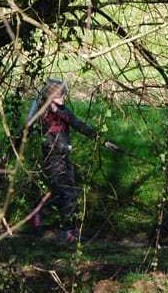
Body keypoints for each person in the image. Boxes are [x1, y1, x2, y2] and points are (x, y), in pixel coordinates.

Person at [28, 78, 119, 241]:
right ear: (49, 96)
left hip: (64, 158)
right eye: (59, 94)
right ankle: (68, 232)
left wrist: (103, 141)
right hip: (52, 159)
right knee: (69, 193)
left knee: (63, 193)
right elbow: (32, 135)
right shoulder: (42, 115)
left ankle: (38, 214)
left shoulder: (64, 112)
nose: (63, 96)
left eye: (64, 93)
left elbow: (80, 125)